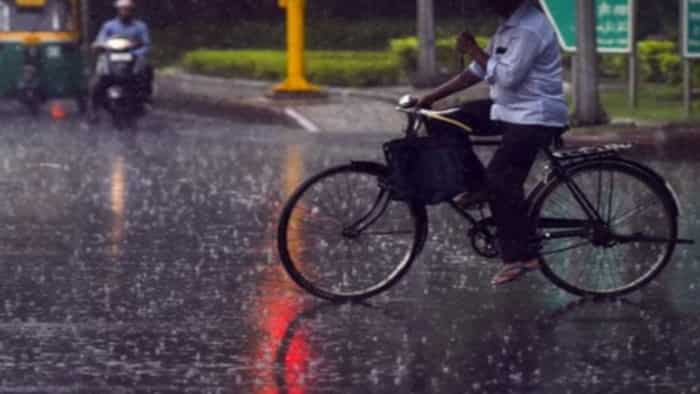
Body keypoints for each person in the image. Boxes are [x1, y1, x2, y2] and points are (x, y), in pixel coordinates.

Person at [417, 0, 568, 286]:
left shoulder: (529, 28)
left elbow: (508, 77)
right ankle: (477, 187)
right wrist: (432, 97)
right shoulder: (508, 26)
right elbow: (478, 70)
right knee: (443, 121)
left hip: (534, 115)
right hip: (508, 109)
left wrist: (473, 48)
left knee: (501, 180)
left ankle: (521, 256)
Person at [88, 0, 152, 122]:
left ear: (132, 10)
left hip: (132, 59)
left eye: (127, 9)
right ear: (117, 10)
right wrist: (99, 46)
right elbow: (101, 40)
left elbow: (146, 45)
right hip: (112, 58)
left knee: (146, 72)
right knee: (98, 82)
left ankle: (145, 101)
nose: (125, 12)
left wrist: (136, 53)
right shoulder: (109, 26)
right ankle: (94, 110)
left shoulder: (140, 26)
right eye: (122, 9)